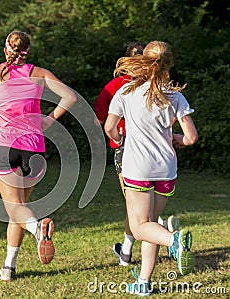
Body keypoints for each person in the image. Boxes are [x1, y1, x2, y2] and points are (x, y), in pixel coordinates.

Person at [0, 30, 76, 281]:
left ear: (6, 49)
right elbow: (70, 97)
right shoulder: (39, 74)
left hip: (4, 145)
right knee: (18, 209)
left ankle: (37, 228)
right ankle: (9, 266)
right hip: (34, 148)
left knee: (16, 209)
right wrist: (50, 121)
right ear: (27, 50)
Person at [104, 41, 198, 296]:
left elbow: (109, 128)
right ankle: (144, 282)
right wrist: (176, 139)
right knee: (150, 224)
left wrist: (120, 138)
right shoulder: (175, 95)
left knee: (138, 227)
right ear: (169, 64)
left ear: (145, 60)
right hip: (166, 170)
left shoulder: (125, 92)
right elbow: (190, 138)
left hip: (138, 168)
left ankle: (173, 241)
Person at [95, 42, 180, 267]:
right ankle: (141, 275)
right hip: (165, 160)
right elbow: (183, 130)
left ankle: (164, 240)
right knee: (146, 216)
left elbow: (104, 123)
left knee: (137, 215)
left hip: (130, 152)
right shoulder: (170, 90)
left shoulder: (119, 87)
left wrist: (119, 137)